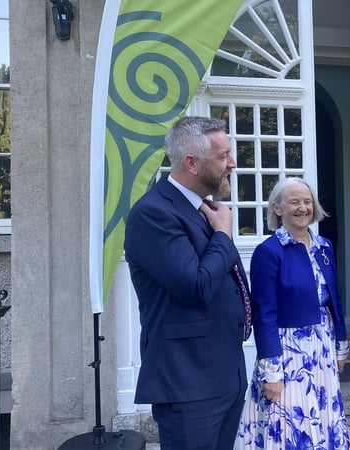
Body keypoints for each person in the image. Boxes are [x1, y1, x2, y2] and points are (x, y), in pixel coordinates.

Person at [124, 116, 252, 449]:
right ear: (192, 163)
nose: (232, 164)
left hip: (224, 377)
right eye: (223, 156)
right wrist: (223, 234)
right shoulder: (153, 213)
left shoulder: (204, 209)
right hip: (188, 385)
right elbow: (196, 286)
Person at [239, 177, 350, 449]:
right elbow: (264, 315)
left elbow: (334, 301)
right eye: (294, 202)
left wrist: (340, 348)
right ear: (277, 208)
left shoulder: (324, 246)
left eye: (307, 201)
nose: (303, 208)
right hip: (288, 354)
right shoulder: (268, 252)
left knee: (322, 417)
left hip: (322, 348)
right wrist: (272, 373)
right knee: (291, 425)